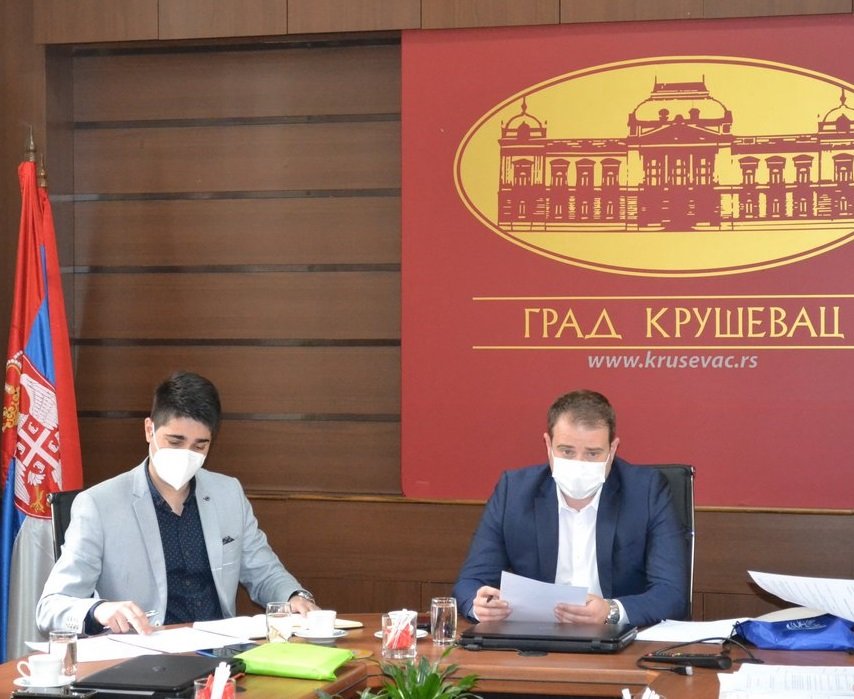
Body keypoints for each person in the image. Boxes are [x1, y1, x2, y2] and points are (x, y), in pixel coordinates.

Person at [37, 371, 318, 636]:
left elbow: (265, 572)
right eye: (175, 441)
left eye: (199, 446)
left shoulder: (228, 493)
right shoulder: (99, 505)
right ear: (149, 430)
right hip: (146, 653)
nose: (187, 454)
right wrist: (99, 610)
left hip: (222, 651)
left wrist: (295, 597)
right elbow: (51, 607)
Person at [453, 389, 690, 628]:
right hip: (534, 639)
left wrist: (610, 610)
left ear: (612, 449)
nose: (579, 464)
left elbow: (671, 594)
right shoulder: (513, 492)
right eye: (567, 451)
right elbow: (470, 582)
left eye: (593, 453)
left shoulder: (646, 492)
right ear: (548, 445)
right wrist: (480, 605)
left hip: (617, 639)